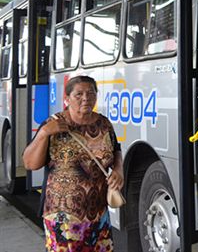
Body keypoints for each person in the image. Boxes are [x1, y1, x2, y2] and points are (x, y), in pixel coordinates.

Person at [23, 75, 123, 251]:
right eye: (79, 94)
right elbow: (30, 164)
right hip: (63, 219)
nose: (86, 98)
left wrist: (118, 170)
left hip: (98, 215)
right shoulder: (52, 125)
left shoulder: (104, 124)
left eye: (91, 93)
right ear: (67, 98)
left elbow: (116, 150)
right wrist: (43, 133)